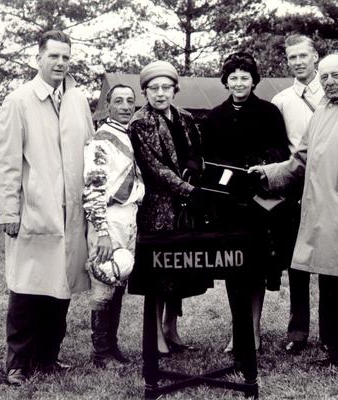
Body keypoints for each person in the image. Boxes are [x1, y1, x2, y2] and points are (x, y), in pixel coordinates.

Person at [249, 52, 338, 373]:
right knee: (330, 287)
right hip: (320, 216)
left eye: (335, 75)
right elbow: (298, 162)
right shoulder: (320, 114)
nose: (329, 82)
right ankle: (334, 350)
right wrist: (266, 173)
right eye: (325, 77)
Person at [0, 30, 93, 386]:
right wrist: (8, 212)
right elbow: (5, 161)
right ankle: (18, 362)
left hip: (72, 211)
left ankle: (49, 355)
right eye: (54, 57)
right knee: (27, 287)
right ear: (38, 58)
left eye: (66, 57)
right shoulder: (19, 100)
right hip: (35, 208)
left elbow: (90, 153)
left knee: (61, 286)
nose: (61, 63)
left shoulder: (78, 100)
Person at [202, 51, 290, 353]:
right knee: (233, 269)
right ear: (226, 81)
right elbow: (207, 161)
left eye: (245, 77)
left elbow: (281, 152)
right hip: (227, 206)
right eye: (233, 78)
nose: (239, 83)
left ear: (254, 81)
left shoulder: (269, 112)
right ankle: (237, 331)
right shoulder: (214, 117)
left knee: (256, 268)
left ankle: (253, 331)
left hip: (259, 204)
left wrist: (261, 164)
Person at [128, 60, 209, 356]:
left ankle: (171, 328)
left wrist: (195, 170)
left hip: (185, 208)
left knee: (180, 271)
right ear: (145, 91)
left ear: (175, 89)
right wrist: (189, 189)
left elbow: (198, 154)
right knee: (158, 272)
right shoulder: (140, 122)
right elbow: (154, 168)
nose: (160, 93)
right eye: (154, 88)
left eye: (166, 87)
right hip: (158, 207)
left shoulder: (185, 118)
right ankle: (155, 336)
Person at [270, 34, 326, 355]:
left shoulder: (333, 92)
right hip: (295, 191)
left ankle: (332, 331)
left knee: (333, 262)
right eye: (292, 57)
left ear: (315, 57)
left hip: (330, 187)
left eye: (303, 56)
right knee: (297, 264)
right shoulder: (281, 101)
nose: (298, 62)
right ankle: (298, 330)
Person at [83, 84, 145, 368]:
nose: (125, 106)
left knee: (119, 279)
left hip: (129, 217)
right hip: (107, 218)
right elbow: (94, 188)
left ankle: (113, 347)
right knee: (104, 284)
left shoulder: (128, 134)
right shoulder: (100, 140)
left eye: (130, 101)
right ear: (107, 106)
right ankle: (100, 354)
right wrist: (103, 232)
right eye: (118, 101)